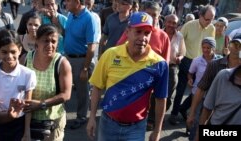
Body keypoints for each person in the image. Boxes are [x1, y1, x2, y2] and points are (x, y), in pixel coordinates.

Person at [86, 12, 168, 141]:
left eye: (147, 33)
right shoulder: (110, 55)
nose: (143, 38)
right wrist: (91, 118)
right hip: (108, 124)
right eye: (138, 31)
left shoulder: (159, 64)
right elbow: (97, 87)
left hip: (136, 128)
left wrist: (157, 131)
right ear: (128, 31)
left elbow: (160, 99)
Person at [187, 35, 241, 141]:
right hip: (211, 111)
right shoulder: (216, 65)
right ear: (228, 46)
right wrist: (192, 113)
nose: (236, 48)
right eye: (234, 44)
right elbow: (201, 89)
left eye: (239, 46)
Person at [23, 24, 72, 140]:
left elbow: (66, 95)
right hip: (27, 122)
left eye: (53, 41)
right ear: (37, 42)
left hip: (52, 124)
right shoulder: (25, 59)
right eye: (45, 41)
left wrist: (41, 104)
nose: (50, 45)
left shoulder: (62, 64)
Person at [169, 5, 215, 125]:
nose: (209, 22)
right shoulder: (189, 25)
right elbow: (178, 40)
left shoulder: (211, 28)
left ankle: (183, 109)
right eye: (207, 19)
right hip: (187, 61)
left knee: (197, 90)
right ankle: (174, 114)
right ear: (200, 15)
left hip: (202, 63)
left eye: (212, 19)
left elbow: (211, 46)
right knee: (181, 90)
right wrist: (178, 56)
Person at [0, 29, 37, 141]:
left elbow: (28, 107)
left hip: (18, 125)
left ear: (20, 50)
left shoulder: (27, 74)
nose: (9, 56)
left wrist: (27, 132)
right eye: (4, 52)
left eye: (13, 52)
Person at [64, 0, 100, 129]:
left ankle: (81, 117)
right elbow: (67, 34)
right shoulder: (70, 15)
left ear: (77, 2)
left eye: (68, 1)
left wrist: (85, 68)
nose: (65, 3)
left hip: (81, 60)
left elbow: (91, 47)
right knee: (64, 87)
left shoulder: (89, 18)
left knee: (82, 91)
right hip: (68, 58)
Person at [0, 0, 14, 65]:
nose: (0, 7)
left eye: (0, 4)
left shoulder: (6, 18)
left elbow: (13, 38)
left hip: (2, 60)